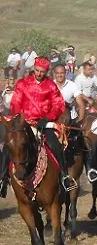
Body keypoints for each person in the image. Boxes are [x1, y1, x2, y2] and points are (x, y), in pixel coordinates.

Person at [1, 57, 75, 195]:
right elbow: (16, 102)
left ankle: (64, 176)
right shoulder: (22, 83)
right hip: (23, 122)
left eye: (42, 71)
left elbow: (58, 105)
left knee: (56, 146)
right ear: (33, 68)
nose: (39, 73)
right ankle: (3, 180)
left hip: (43, 122)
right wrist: (19, 119)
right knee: (8, 146)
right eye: (36, 70)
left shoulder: (51, 86)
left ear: (47, 71)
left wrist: (47, 118)